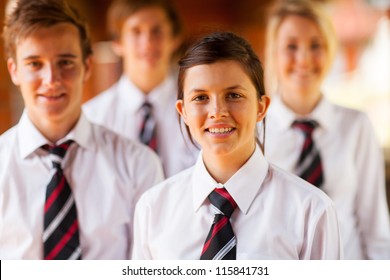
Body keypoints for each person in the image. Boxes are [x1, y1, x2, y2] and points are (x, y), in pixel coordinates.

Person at [131, 31, 342, 260]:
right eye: (201, 98)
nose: (217, 112)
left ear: (261, 107)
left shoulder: (311, 211)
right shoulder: (152, 209)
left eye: (233, 95)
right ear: (183, 112)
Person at [0, 0, 164, 259]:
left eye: (65, 62)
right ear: (14, 70)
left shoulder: (139, 164)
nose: (51, 80)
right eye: (34, 64)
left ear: (87, 66)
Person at [262, 0, 390, 259]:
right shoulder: (254, 131)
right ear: (273, 53)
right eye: (291, 46)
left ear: (331, 50)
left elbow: (375, 228)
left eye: (315, 45)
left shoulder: (356, 126)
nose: (304, 59)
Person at [83, 0, 197, 177]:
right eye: (136, 32)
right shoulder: (92, 118)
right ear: (117, 43)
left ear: (175, 38)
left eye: (157, 31)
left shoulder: (200, 110)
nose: (148, 42)